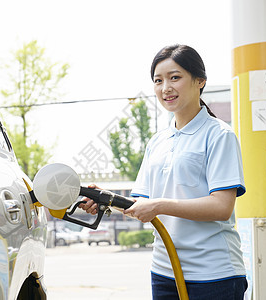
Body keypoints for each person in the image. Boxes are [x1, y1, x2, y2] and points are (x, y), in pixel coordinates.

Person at [80, 44, 247, 300]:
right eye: (158, 81)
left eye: (175, 77)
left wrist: (158, 206)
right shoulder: (158, 141)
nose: (165, 88)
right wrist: (105, 199)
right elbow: (142, 205)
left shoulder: (219, 135)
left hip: (214, 274)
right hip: (164, 270)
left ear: (200, 81)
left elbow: (221, 207)